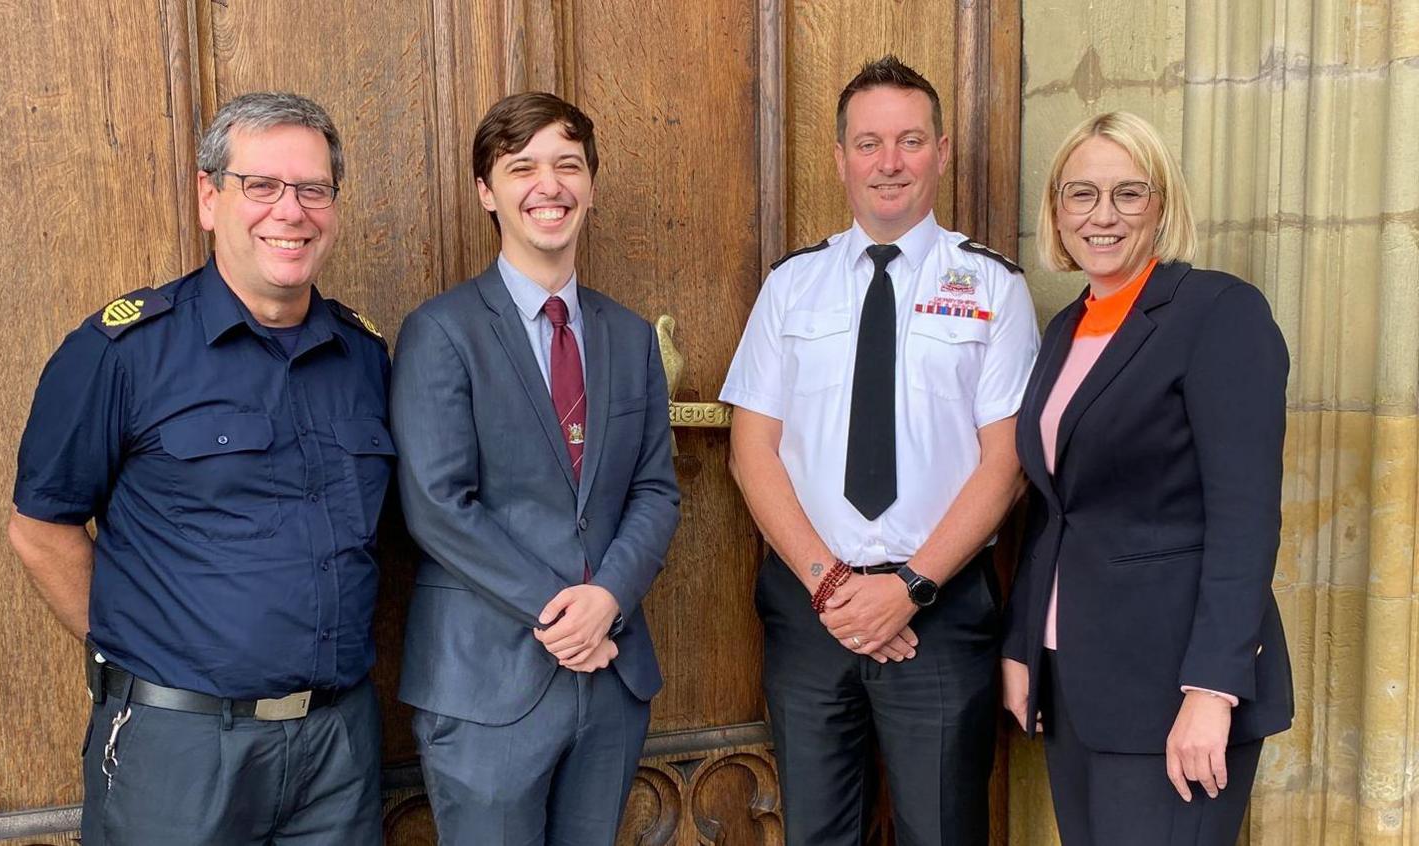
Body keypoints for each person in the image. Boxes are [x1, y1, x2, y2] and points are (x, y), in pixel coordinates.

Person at [8, 92, 393, 844]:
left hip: (338, 745)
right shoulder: (122, 352)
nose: (292, 211)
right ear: (209, 197)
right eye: (263, 186)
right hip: (179, 749)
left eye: (314, 189)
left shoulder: (364, 358)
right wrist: (146, 653)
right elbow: (40, 527)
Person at [720, 55, 1039, 845]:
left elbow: (1007, 462)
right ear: (839, 158)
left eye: (909, 140)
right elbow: (750, 450)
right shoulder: (791, 285)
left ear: (939, 151)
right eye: (868, 143)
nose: (888, 162)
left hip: (940, 612)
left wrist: (910, 588)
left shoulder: (994, 286)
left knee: (943, 830)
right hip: (809, 610)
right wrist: (833, 588)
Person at [390, 91, 680, 845]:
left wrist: (607, 598)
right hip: (488, 685)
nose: (548, 186)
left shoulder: (628, 336)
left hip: (611, 678)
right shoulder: (441, 332)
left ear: (590, 183)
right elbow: (436, 506)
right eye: (522, 168)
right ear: (489, 191)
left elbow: (654, 489)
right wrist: (565, 613)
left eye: (568, 165)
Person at [999, 111, 1294, 845]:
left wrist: (1212, 690)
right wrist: (1022, 642)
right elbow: (1055, 510)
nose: (1103, 215)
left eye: (1129, 194)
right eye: (1081, 195)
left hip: (1175, 687)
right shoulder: (1068, 328)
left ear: (1162, 206)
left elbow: (1245, 520)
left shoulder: (1218, 313)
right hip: (1075, 680)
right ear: (1057, 212)